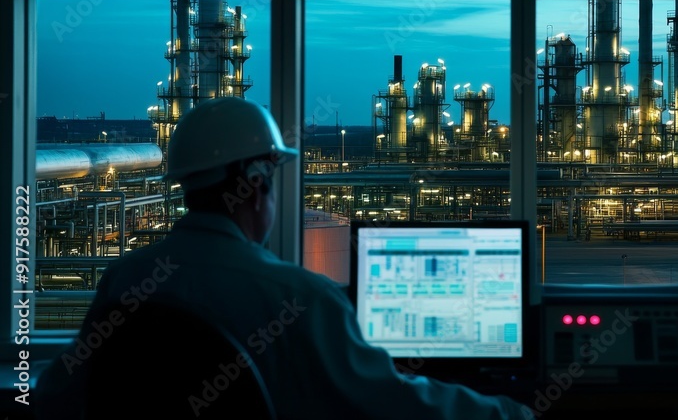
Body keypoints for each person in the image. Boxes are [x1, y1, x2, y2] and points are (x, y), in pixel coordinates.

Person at [35, 97, 531, 419]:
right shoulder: (300, 297)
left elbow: (54, 397)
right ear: (257, 188)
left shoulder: (126, 279)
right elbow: (392, 403)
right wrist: (510, 413)